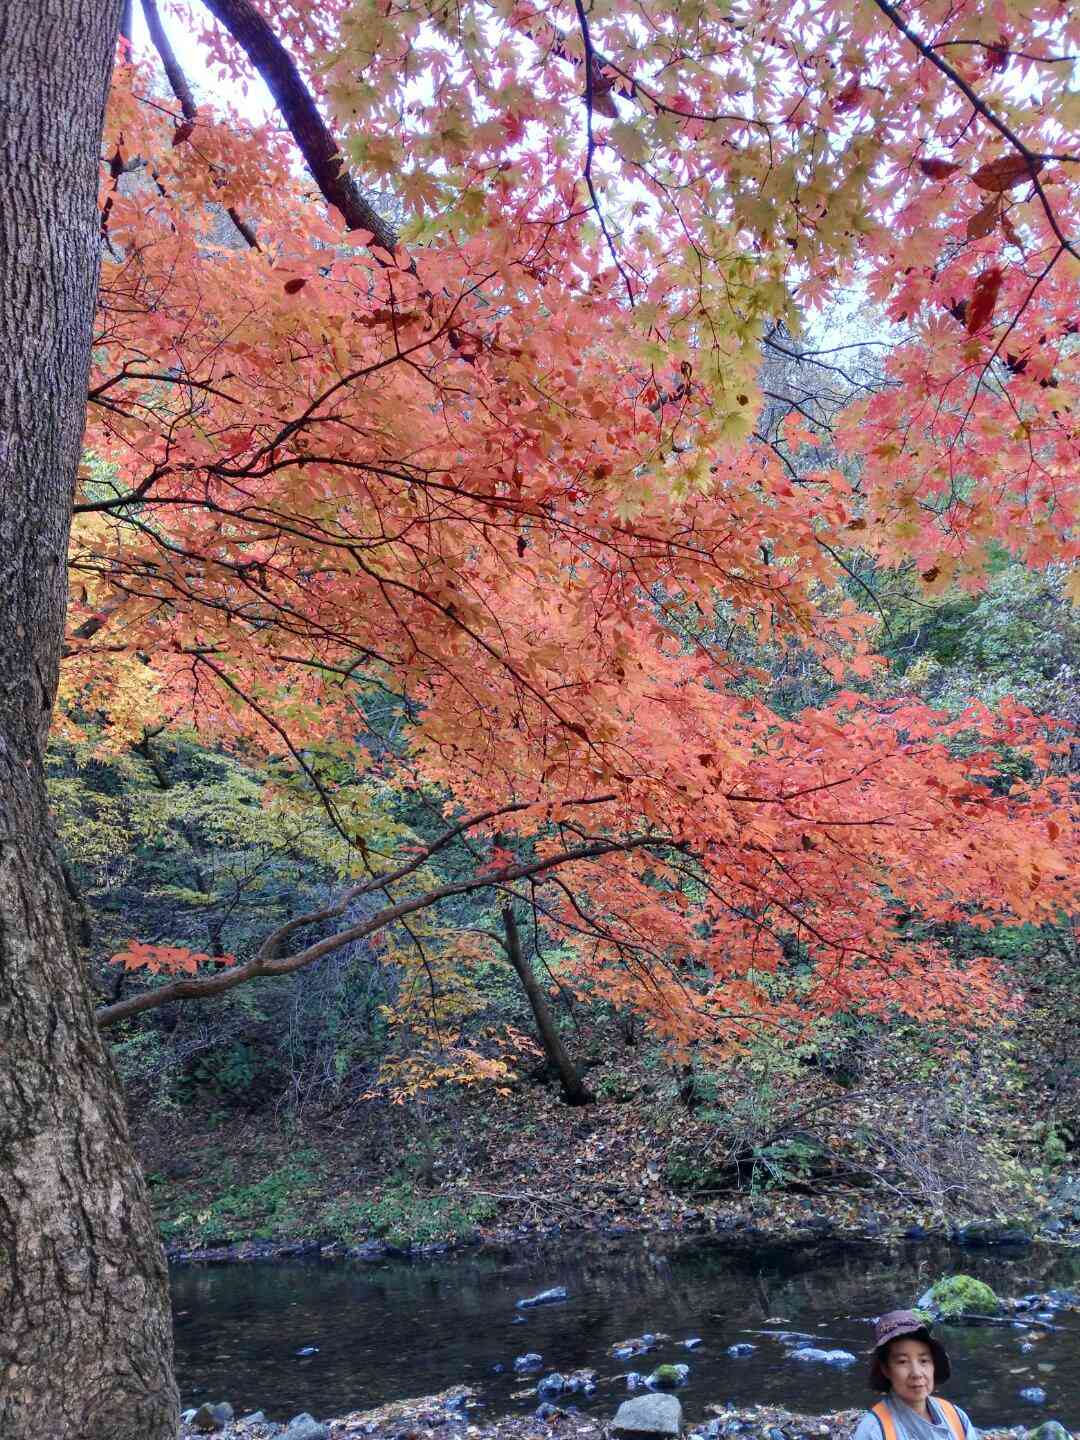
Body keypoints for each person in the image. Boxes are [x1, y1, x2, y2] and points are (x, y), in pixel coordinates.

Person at [851, 1310, 978, 1440]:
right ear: (886, 1369)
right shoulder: (874, 1431)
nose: (916, 1373)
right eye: (902, 1362)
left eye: (923, 1361)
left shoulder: (956, 1417)